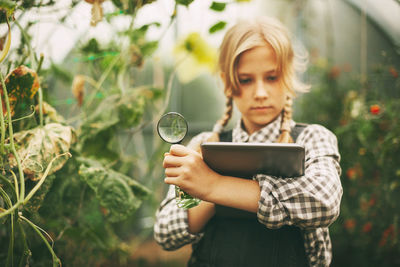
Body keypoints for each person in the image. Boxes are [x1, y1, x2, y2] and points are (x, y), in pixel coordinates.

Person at [154, 16, 343, 267]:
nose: (261, 92)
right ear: (227, 83)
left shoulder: (312, 139)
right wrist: (201, 187)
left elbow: (324, 203)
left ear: (288, 76)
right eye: (246, 80)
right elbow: (165, 233)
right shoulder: (202, 147)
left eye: (272, 77)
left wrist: (214, 185)